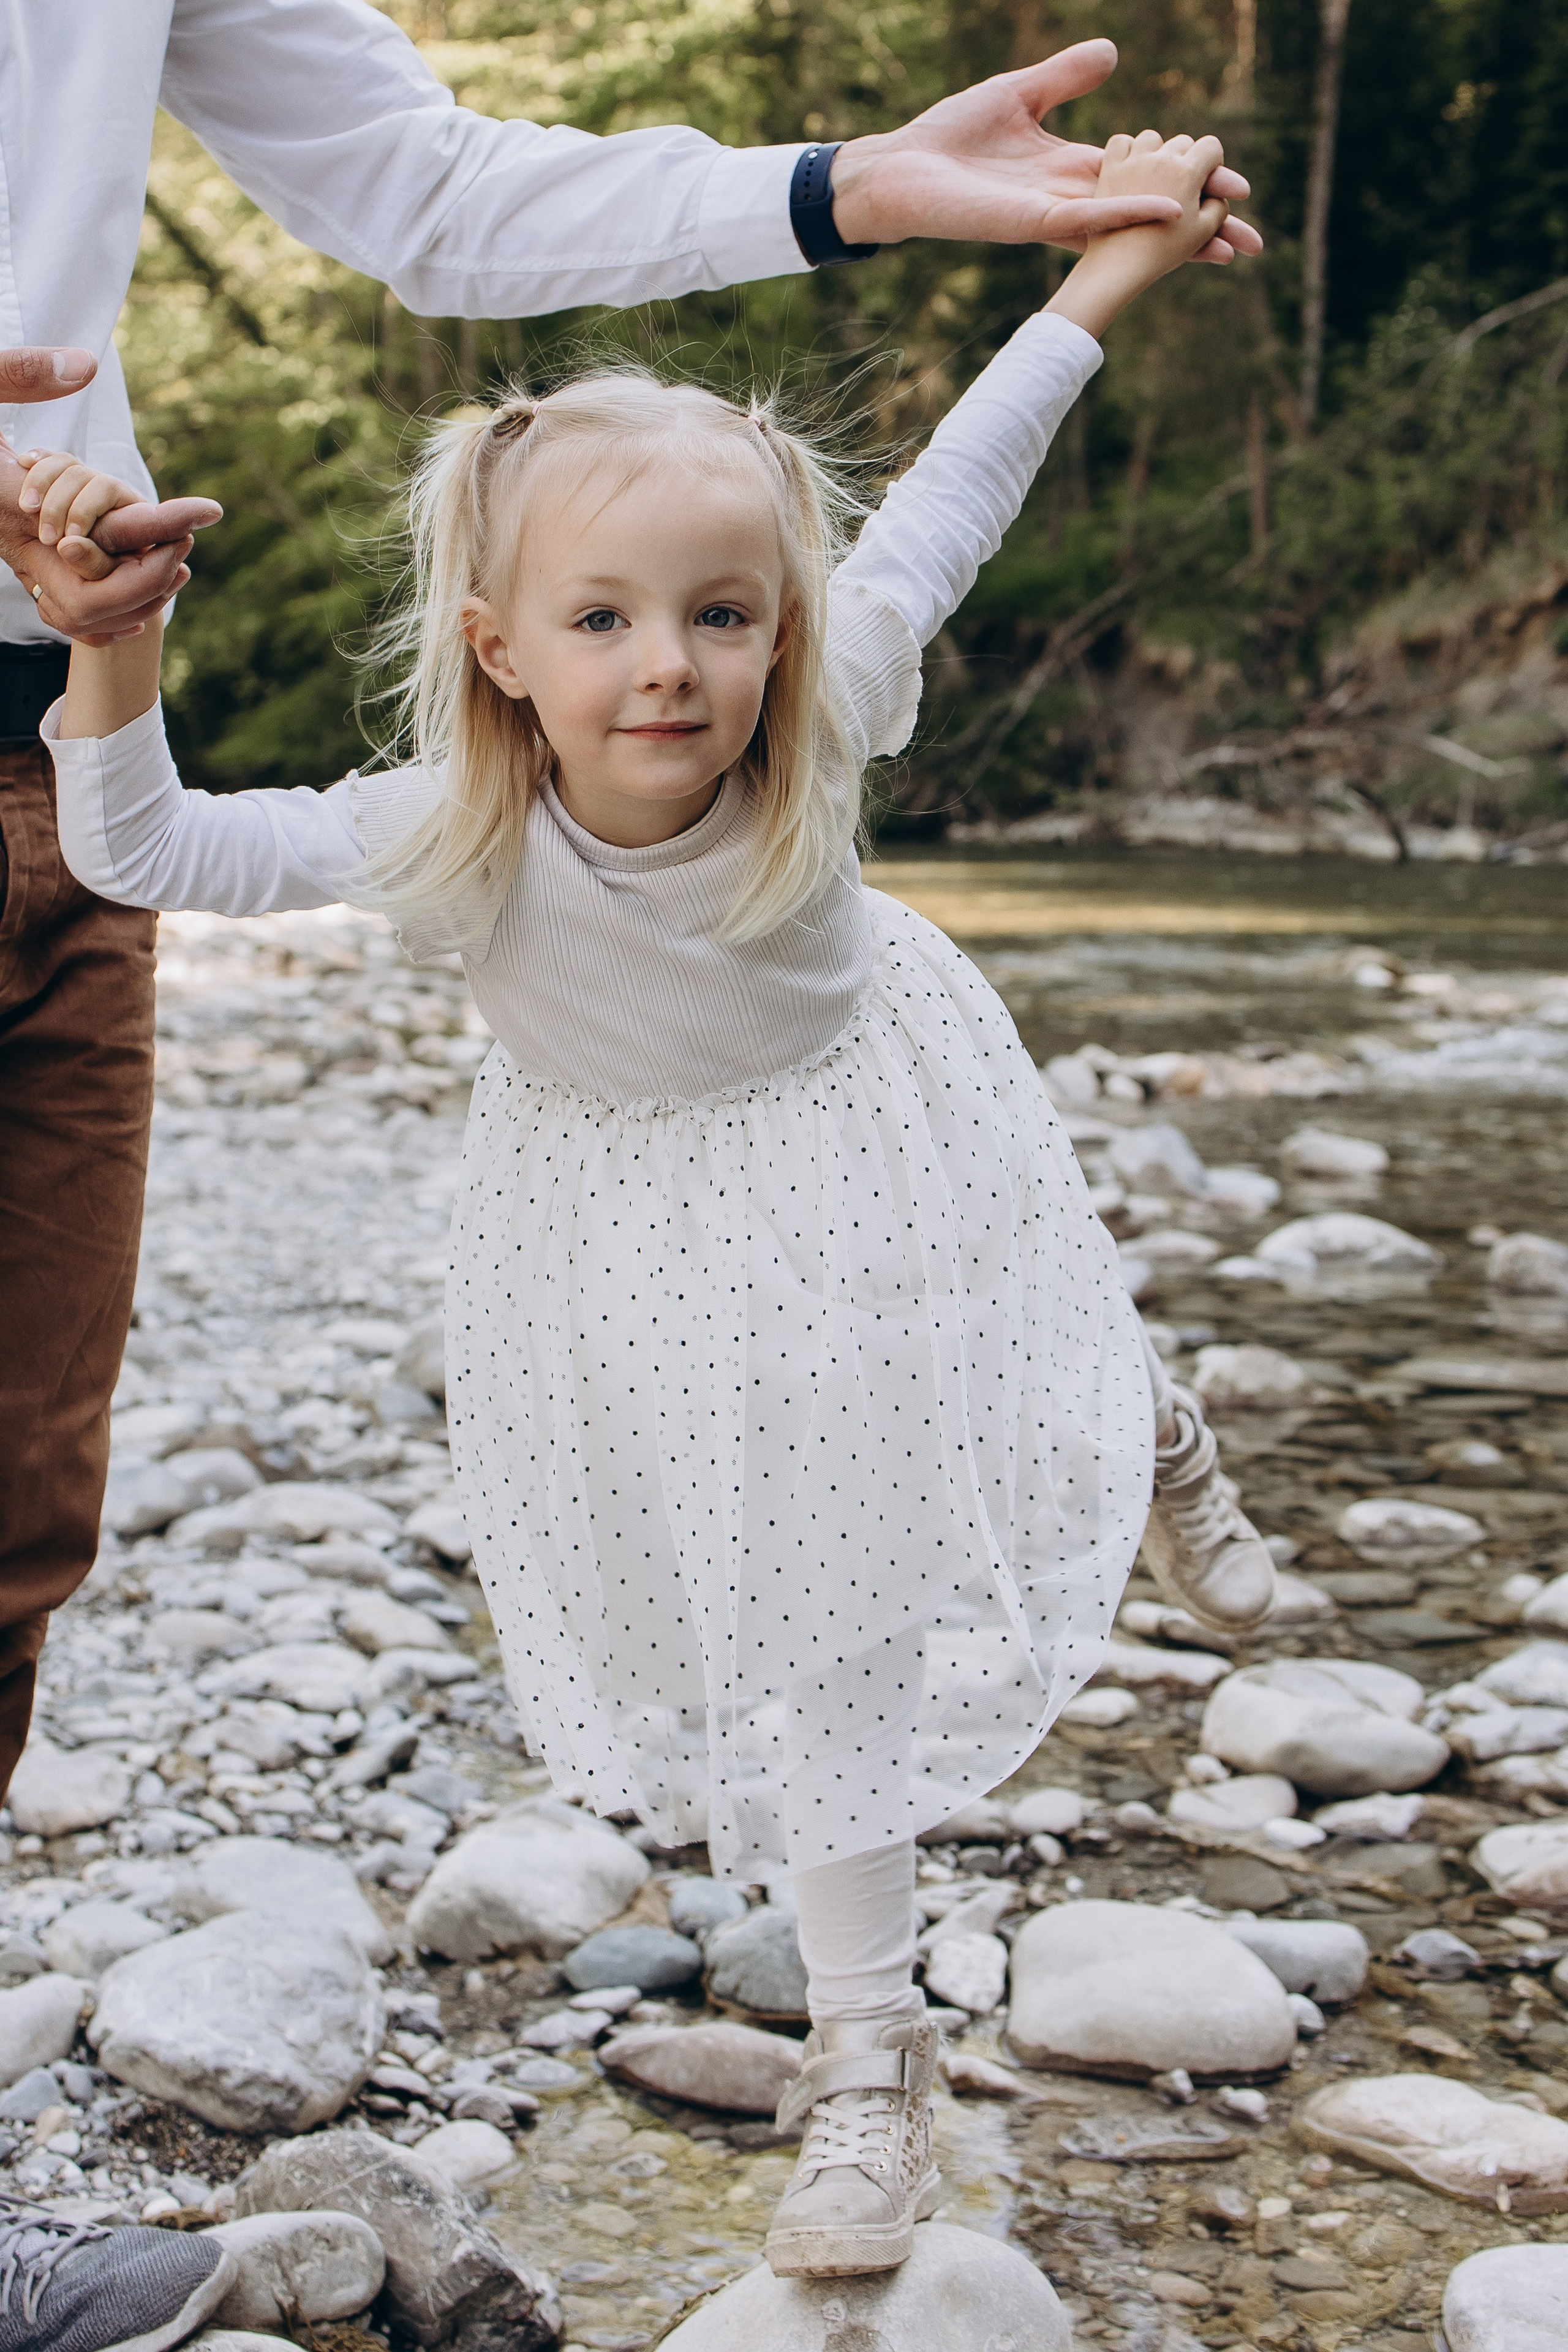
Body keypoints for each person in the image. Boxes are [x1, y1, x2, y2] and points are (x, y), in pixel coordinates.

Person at [37, 127, 1255, 2286]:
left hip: (866, 1120)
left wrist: (1095, 290)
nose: (670, 667)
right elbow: (139, 859)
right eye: (604, 621)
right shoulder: (453, 829)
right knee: (817, 1621)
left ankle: (1138, 1430)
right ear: (503, 649)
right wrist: (111, 657)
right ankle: (869, 2063)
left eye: (719, 614)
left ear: (783, 625)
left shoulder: (830, 697)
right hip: (642, 1229)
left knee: (973, 1408)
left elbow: (961, 488)